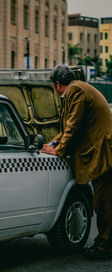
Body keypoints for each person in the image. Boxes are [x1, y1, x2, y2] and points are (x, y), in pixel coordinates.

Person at [41, 64, 112, 259]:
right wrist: (52, 142)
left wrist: (58, 151)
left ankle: (104, 248)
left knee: (103, 203)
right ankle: (104, 244)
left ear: (57, 84)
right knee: (103, 201)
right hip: (103, 151)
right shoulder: (79, 88)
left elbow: (73, 125)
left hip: (103, 153)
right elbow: (67, 129)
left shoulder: (75, 91)